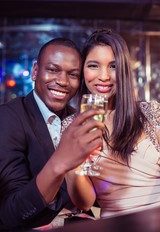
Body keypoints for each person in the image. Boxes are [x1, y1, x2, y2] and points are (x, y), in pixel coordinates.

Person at [0, 37, 105, 230]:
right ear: (35, 71)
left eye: (72, 74)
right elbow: (11, 213)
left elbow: (94, 194)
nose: (63, 81)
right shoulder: (8, 117)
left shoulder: (79, 119)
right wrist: (60, 163)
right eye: (53, 70)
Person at [65, 28, 160, 219]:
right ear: (82, 70)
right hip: (112, 225)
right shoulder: (71, 127)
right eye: (93, 65)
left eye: (113, 66)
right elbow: (85, 203)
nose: (104, 76)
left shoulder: (151, 113)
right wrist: (77, 165)